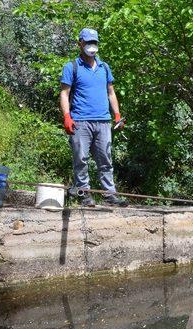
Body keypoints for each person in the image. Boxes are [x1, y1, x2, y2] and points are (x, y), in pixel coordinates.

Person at [59, 28, 127, 207]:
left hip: (103, 121)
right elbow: (64, 94)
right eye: (88, 42)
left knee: (105, 159)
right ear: (80, 43)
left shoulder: (104, 67)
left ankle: (109, 195)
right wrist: (67, 116)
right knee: (80, 159)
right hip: (80, 121)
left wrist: (117, 115)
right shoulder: (71, 67)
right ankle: (84, 194)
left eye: (94, 42)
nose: (91, 46)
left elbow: (111, 93)